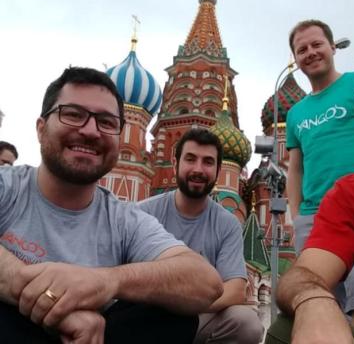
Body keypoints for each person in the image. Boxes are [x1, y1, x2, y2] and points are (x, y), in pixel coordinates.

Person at [0, 67, 224, 344]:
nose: (90, 130)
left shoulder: (123, 219)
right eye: (73, 114)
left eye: (106, 122)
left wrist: (104, 282)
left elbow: (205, 282)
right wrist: (59, 308)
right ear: (41, 128)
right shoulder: (8, 186)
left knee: (172, 313)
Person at [267, 14, 354, 343]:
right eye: (301, 49)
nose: (310, 52)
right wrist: (296, 215)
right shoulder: (295, 113)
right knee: (315, 303)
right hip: (316, 214)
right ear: (294, 59)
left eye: (316, 44)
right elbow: (295, 167)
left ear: (333, 47)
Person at [138, 128, 263, 344]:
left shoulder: (227, 223)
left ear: (218, 170)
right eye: (190, 159)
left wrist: (186, 305)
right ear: (175, 164)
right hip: (147, 314)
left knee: (248, 324)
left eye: (207, 162)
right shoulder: (143, 213)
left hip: (199, 314)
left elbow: (236, 290)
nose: (198, 169)